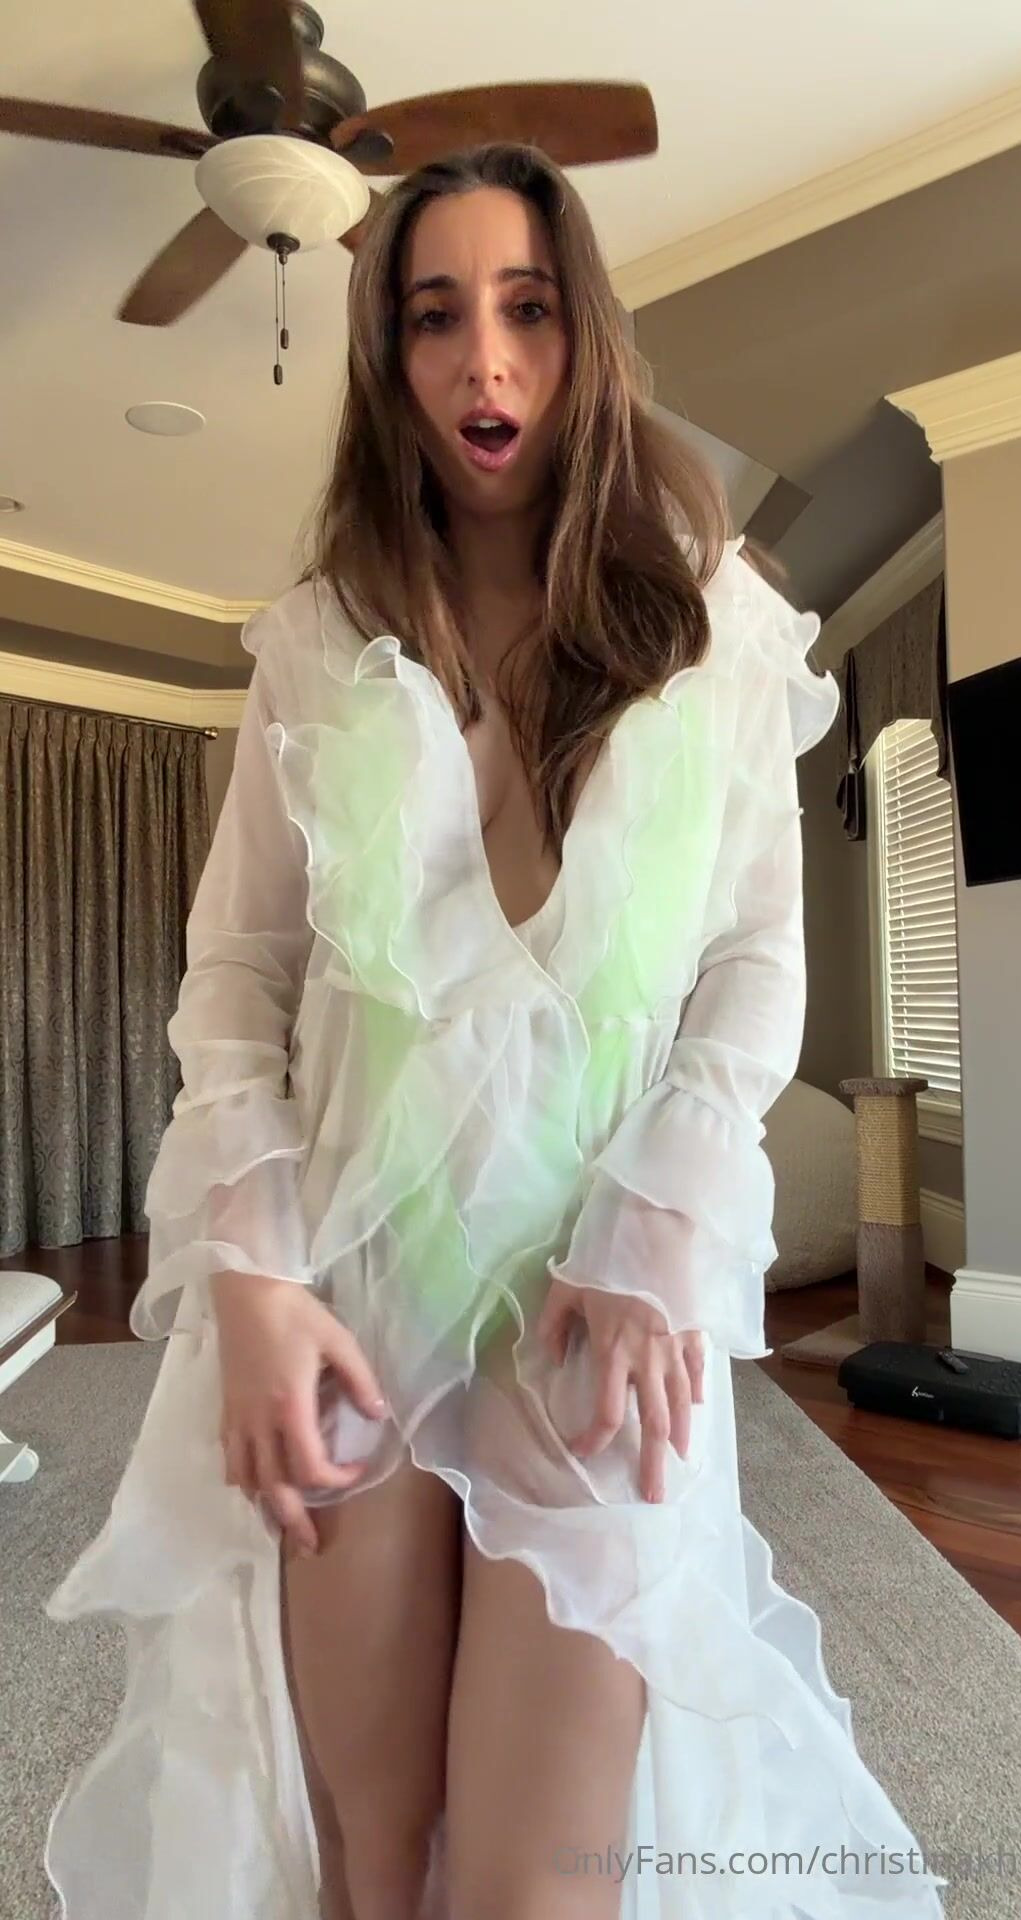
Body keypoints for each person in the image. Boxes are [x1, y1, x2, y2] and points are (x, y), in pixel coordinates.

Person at [42, 145, 941, 1919]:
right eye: (435, 316)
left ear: (583, 333)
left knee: (538, 1888)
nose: (486, 361)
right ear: (389, 357)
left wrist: (656, 1231)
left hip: (593, 1313)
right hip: (357, 1299)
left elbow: (757, 964)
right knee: (370, 1866)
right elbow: (235, 980)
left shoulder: (721, 632)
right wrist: (254, 1278)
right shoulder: (317, 643)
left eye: (527, 308)